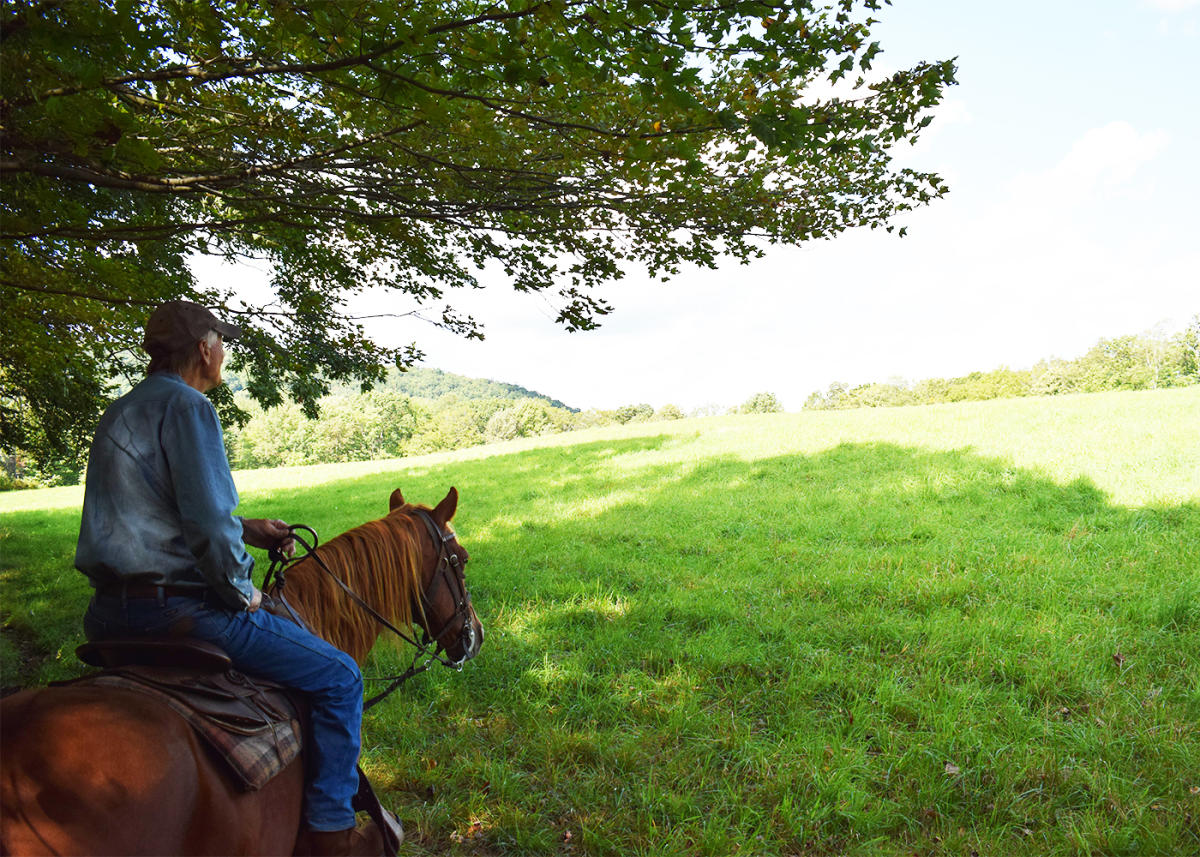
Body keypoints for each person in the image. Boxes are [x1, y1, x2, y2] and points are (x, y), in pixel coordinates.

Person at [75, 300, 383, 856]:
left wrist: (250, 530)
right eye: (222, 342)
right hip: (179, 611)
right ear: (203, 349)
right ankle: (331, 832)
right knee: (340, 678)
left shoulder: (120, 412)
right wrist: (245, 590)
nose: (224, 353)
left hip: (108, 613)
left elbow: (154, 515)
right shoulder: (190, 407)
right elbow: (210, 529)